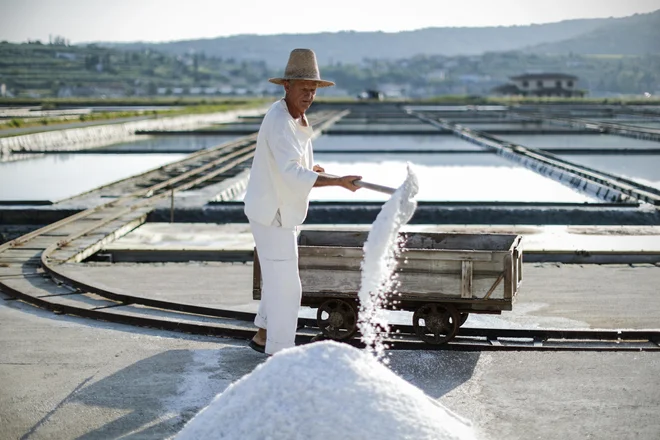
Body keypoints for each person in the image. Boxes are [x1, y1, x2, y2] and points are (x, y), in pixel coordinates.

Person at [243, 48, 362, 355]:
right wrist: (337, 181)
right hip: (274, 215)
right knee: (288, 287)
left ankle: (262, 335)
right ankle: (279, 351)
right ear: (287, 86)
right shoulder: (281, 121)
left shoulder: (294, 116)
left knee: (276, 277)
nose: (309, 95)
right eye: (303, 89)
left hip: (278, 211)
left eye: (313, 90)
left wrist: (314, 169)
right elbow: (290, 172)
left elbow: (294, 162)